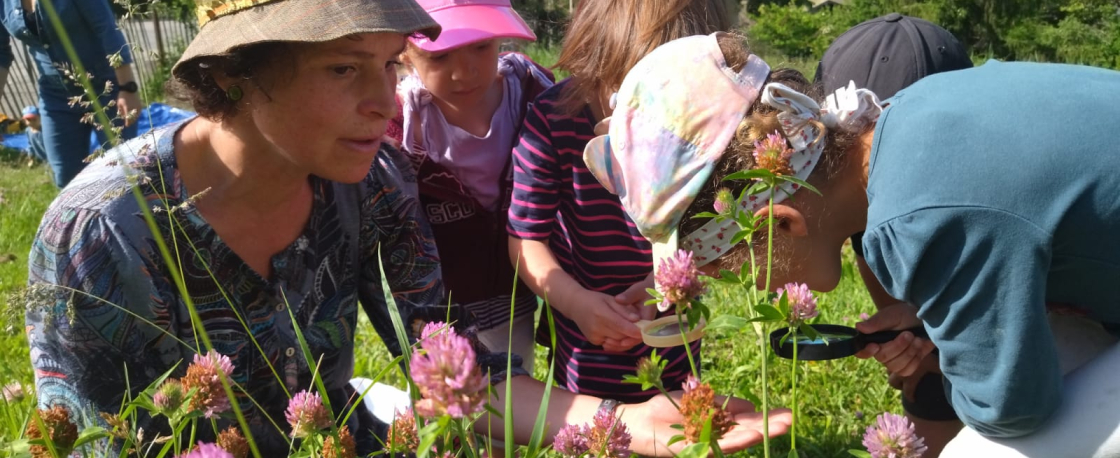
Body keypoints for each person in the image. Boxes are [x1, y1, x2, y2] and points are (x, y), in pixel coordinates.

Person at [25, 1, 791, 456]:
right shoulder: (101, 234)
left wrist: (629, 420)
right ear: (234, 76)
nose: (386, 103)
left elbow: (453, 372)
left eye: (390, 65)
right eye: (343, 70)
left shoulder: (378, 184)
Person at [588, 31, 1120, 457]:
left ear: (782, 222)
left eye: (734, 265)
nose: (751, 284)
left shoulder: (916, 224)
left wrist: (959, 365)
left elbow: (1013, 410)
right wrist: (938, 325)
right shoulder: (909, 118)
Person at [507, 0, 730, 402]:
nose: (655, 116)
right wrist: (576, 303)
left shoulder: (704, 127)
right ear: (592, 59)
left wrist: (664, 282)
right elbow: (526, 239)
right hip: (584, 329)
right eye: (632, 94)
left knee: (675, 415)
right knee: (597, 429)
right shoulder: (553, 121)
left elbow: (714, 226)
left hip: (672, 319)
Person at [813, 13, 973, 456]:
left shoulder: (981, 209)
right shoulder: (863, 213)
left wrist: (948, 350)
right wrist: (920, 345)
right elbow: (908, 324)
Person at [390, 0, 554, 374]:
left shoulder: (532, 93)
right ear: (405, 54)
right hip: (443, 291)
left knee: (514, 377)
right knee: (446, 389)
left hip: (522, 278)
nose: (463, 73)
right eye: (441, 56)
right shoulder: (404, 122)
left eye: (481, 47)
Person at [0, 0, 141, 188]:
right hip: (55, 96)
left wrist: (127, 87)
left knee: (123, 173)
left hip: (106, 89)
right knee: (66, 180)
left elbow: (106, 28)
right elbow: (1, 54)